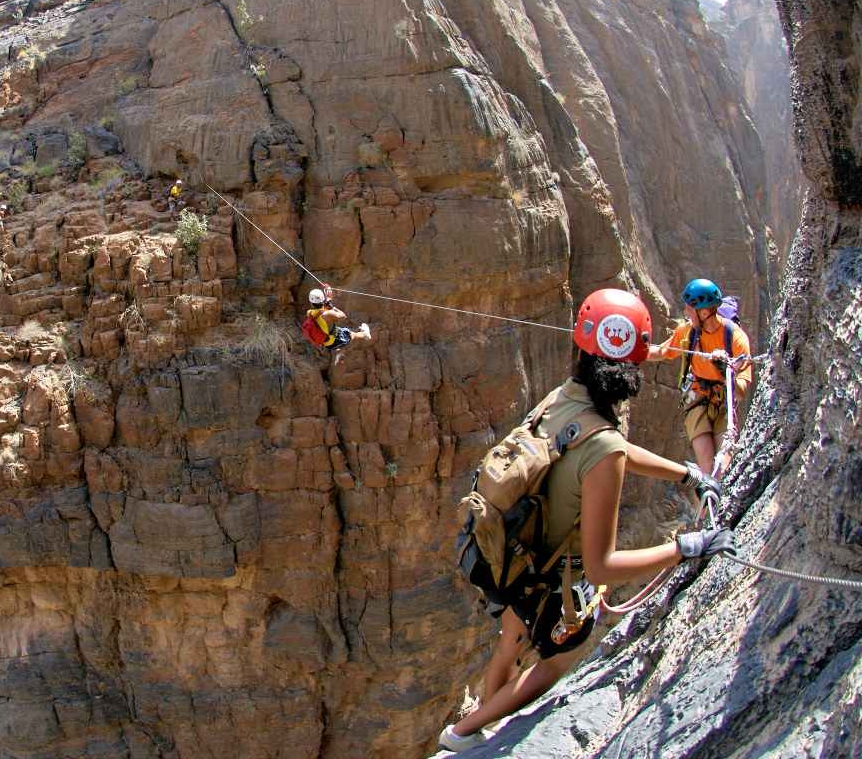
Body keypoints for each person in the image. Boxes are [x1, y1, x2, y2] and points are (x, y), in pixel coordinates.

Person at [440, 289, 735, 753]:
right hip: (551, 574)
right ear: (634, 368)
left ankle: (474, 718)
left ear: (581, 348)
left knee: (512, 638)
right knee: (558, 661)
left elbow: (610, 447)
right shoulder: (605, 448)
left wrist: (685, 473)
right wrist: (689, 547)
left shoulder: (565, 399)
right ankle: (463, 733)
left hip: (512, 550)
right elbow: (602, 568)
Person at [646, 278, 752, 475]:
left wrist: (724, 369)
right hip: (698, 400)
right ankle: (706, 502)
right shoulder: (688, 332)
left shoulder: (736, 339)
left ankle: (715, 501)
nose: (686, 313)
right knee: (707, 469)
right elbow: (660, 352)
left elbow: (740, 392)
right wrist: (628, 350)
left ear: (704, 312)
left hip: (724, 404)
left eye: (689, 309)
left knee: (723, 470)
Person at [304, 287, 370, 365]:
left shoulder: (310, 313)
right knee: (352, 335)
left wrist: (327, 302)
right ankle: (365, 334)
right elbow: (343, 316)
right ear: (323, 300)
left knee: (339, 334)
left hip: (326, 343)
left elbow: (320, 311)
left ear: (311, 303)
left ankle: (340, 352)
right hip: (336, 339)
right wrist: (332, 307)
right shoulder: (328, 314)